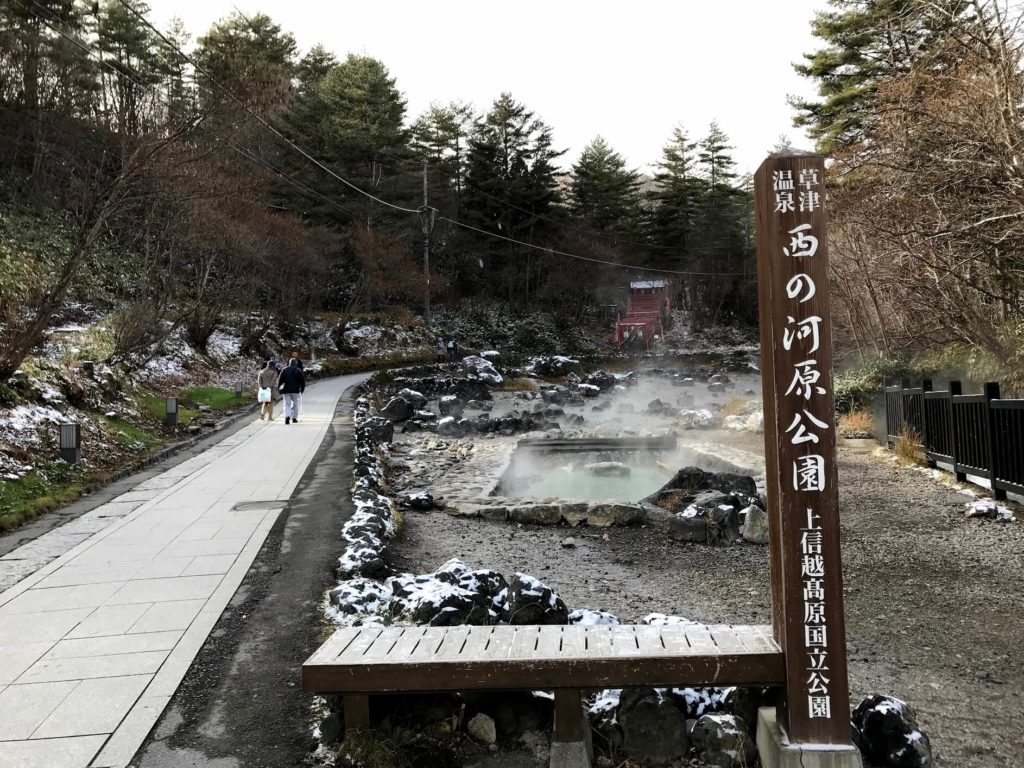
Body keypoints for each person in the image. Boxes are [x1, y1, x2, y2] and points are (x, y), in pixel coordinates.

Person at [278, 357, 306, 425]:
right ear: (295, 363)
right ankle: (294, 418)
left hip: (286, 390)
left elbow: (280, 380)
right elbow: (302, 382)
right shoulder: (298, 370)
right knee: (295, 404)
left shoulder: (284, 370)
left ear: (289, 363)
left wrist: (279, 389)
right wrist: (302, 390)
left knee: (287, 404)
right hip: (295, 390)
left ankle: (287, 416)